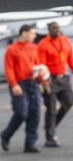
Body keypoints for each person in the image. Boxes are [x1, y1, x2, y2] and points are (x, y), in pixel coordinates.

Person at [36, 21, 73, 147]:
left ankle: (51, 126)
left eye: (59, 28)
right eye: (54, 28)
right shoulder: (43, 45)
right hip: (50, 79)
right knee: (51, 109)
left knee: (69, 101)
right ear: (49, 30)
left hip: (63, 78)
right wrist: (45, 83)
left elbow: (70, 58)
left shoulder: (65, 41)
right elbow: (41, 65)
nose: (57, 30)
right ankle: (50, 138)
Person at [2, 24, 45, 154]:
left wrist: (43, 78)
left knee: (35, 113)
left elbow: (37, 64)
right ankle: (5, 135)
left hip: (32, 83)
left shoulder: (33, 47)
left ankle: (30, 144)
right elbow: (8, 68)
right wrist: (14, 84)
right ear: (24, 33)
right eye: (32, 33)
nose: (35, 35)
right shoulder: (12, 49)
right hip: (19, 84)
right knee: (21, 113)